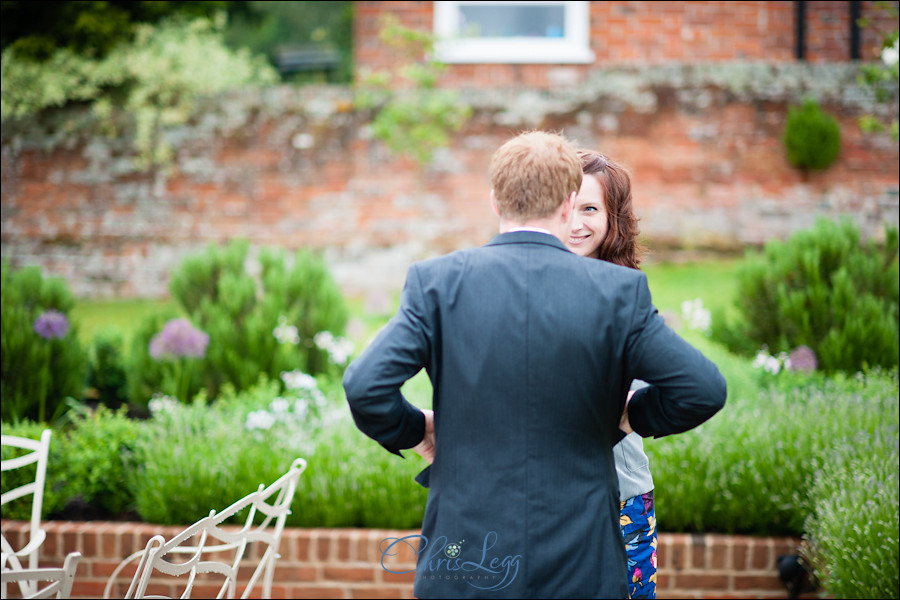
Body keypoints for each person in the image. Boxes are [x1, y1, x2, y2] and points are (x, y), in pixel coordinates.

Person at [343, 130, 726, 599]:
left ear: (494, 200)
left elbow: (366, 387)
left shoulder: (437, 284)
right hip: (581, 556)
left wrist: (417, 431)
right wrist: (627, 417)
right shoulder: (617, 293)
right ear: (568, 205)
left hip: (467, 558)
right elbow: (703, 389)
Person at [566, 150, 656, 599]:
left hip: (620, 492)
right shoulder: (523, 283)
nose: (575, 223)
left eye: (590, 208)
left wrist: (621, 415)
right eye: (566, 206)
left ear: (612, 219)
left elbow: (656, 383)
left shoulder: (626, 293)